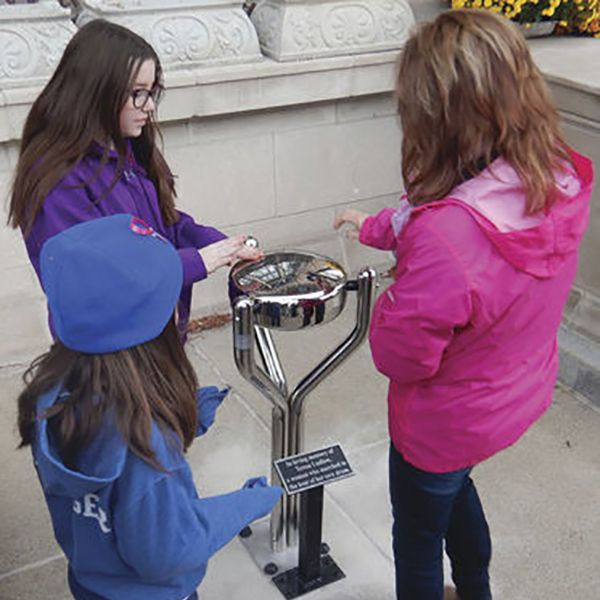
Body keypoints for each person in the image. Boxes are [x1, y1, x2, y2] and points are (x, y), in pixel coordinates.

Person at [334, 9, 593, 600]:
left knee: (418, 536)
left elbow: (403, 357)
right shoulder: (553, 178)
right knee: (454, 493)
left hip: (441, 425)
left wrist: (388, 301)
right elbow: (440, 213)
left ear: (440, 117)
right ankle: (475, 590)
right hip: (513, 398)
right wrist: (378, 227)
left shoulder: (447, 236)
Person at [16, 213, 282, 600]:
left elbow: (109, 470)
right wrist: (249, 502)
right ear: (150, 327)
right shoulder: (146, 444)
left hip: (91, 585)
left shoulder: (51, 393)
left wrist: (183, 416)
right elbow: (170, 553)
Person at [8, 19, 261, 340]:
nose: (150, 106)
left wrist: (218, 243)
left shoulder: (126, 149)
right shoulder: (57, 178)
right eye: (138, 93)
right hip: (106, 360)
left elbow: (158, 227)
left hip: (154, 341)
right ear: (96, 91)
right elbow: (98, 279)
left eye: (152, 92)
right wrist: (198, 261)